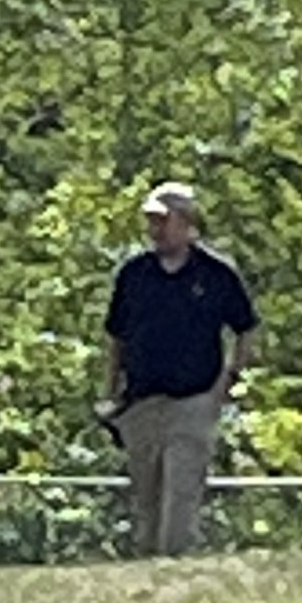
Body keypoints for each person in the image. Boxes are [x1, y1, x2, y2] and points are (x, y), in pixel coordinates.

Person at [99, 181, 259, 558]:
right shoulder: (133, 274)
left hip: (193, 400)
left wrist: (228, 380)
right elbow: (116, 337)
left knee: (181, 492)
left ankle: (175, 564)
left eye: (163, 221)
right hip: (141, 402)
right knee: (147, 496)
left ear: (186, 222)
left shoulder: (216, 274)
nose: (155, 229)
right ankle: (147, 564)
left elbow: (246, 329)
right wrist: (110, 391)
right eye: (151, 221)